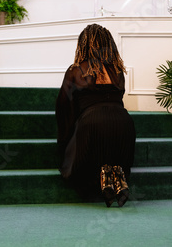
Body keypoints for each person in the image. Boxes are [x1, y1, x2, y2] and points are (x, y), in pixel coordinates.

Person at [55, 23, 136, 207]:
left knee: (84, 141)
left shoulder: (75, 70)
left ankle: (102, 179)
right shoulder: (117, 71)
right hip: (124, 122)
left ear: (83, 44)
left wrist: (65, 139)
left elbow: (63, 107)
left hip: (92, 122)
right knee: (108, 134)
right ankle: (117, 176)